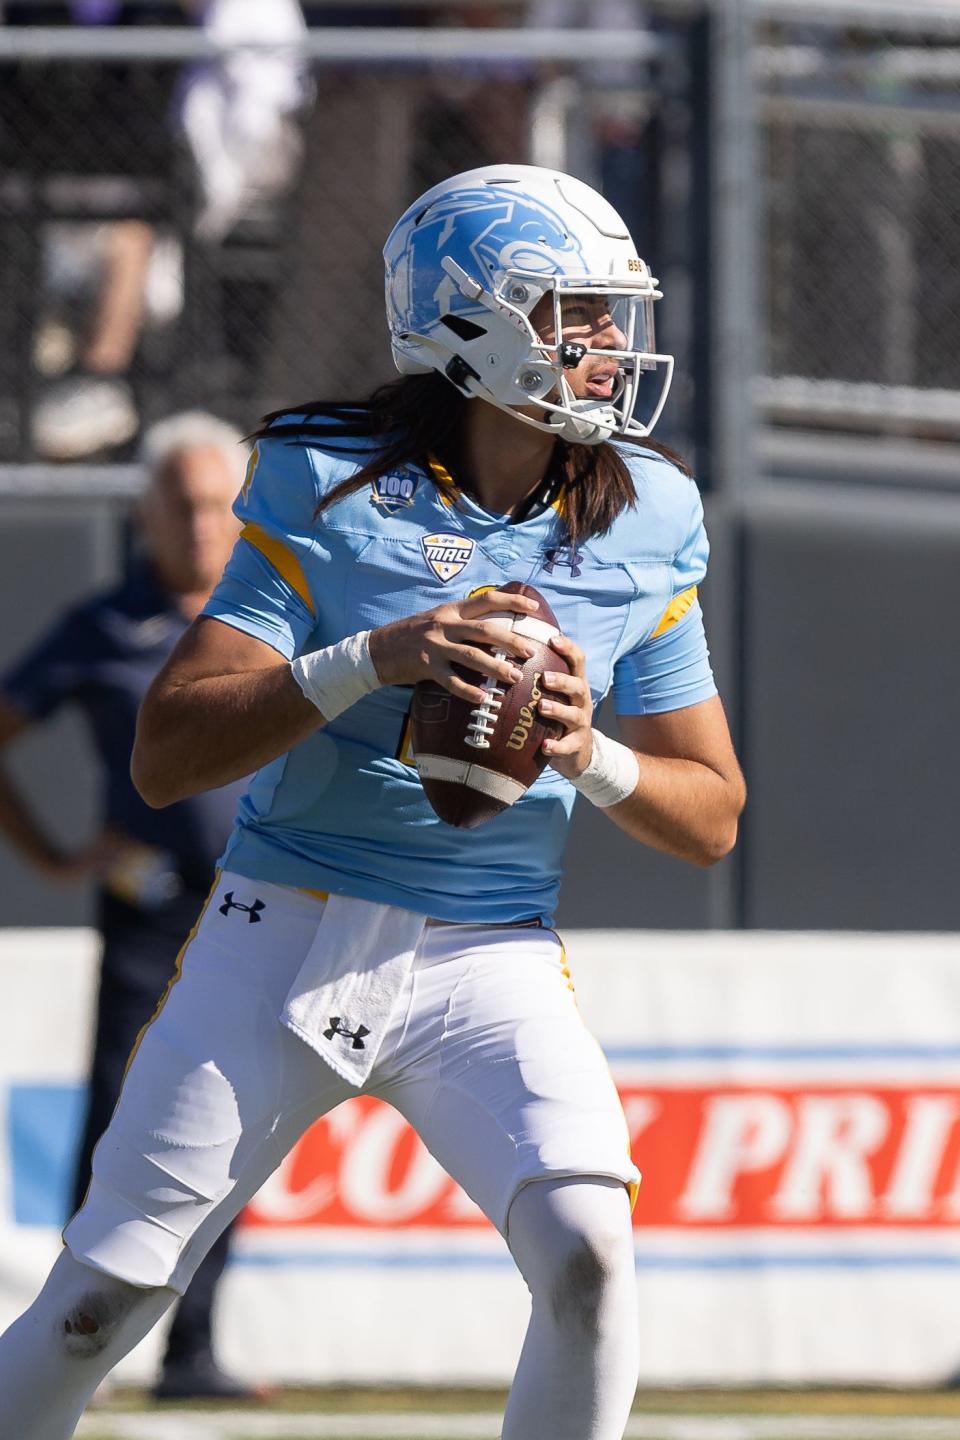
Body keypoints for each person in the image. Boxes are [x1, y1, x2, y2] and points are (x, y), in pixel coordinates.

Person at [0, 164, 746, 1440]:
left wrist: (591, 756)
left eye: (616, 315)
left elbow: (713, 808)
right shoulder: (330, 477)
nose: (611, 346)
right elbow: (169, 754)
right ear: (468, 323)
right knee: (99, 1302)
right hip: (279, 932)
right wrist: (373, 659)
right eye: (576, 311)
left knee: (590, 1260)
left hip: (488, 958)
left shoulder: (647, 512)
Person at [0, 411, 267, 1401]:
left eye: (218, 506)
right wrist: (60, 855)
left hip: (260, 906)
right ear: (146, 513)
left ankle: (191, 1350)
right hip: (150, 909)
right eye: (182, 505)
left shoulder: (281, 618)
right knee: (124, 1118)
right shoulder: (107, 627)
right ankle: (76, 1340)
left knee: (237, 1123)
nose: (201, 526)